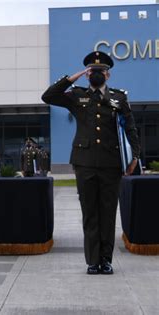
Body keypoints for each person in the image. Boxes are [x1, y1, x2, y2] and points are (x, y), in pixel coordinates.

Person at [41, 51, 140, 275]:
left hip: (112, 163)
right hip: (84, 163)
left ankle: (106, 261)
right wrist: (73, 77)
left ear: (108, 74)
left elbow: (131, 129)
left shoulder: (119, 98)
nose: (97, 74)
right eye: (92, 71)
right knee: (90, 213)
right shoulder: (76, 95)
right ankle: (92, 261)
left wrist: (134, 157)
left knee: (107, 213)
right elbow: (48, 96)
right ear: (87, 75)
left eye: (101, 71)